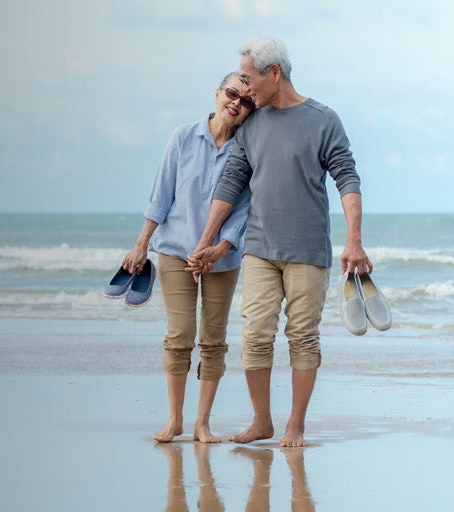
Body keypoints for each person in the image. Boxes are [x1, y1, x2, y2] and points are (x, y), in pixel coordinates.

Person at [188, 36, 373, 447]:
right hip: (259, 248)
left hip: (308, 251)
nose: (246, 88)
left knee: (303, 337)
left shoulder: (323, 119)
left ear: (275, 74)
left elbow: (347, 178)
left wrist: (354, 240)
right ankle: (261, 422)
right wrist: (206, 240)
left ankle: (295, 426)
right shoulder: (251, 124)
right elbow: (232, 180)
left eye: (250, 79)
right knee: (255, 334)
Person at [120, 72, 254, 443]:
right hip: (175, 252)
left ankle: (202, 424)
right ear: (217, 93)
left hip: (221, 260)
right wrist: (141, 244)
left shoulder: (247, 150)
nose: (236, 103)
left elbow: (243, 209)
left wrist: (220, 247)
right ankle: (175, 419)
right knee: (180, 335)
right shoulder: (183, 137)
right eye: (232, 94)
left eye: (246, 101)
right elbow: (160, 195)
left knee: (213, 340)